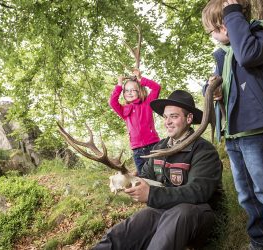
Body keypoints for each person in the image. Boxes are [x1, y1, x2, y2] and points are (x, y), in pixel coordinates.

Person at [202, 1, 263, 249]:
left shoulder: (257, 38)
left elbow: (248, 56)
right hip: (234, 134)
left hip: (255, 131)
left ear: (224, 25)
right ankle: (259, 241)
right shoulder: (225, 54)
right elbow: (217, 86)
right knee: (246, 195)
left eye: (212, 30)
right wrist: (212, 89)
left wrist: (232, 13)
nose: (212, 37)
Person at [94, 90, 223, 250]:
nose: (167, 121)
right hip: (164, 209)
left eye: (174, 116)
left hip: (196, 214)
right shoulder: (159, 148)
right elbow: (146, 176)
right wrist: (130, 180)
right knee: (126, 231)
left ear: (189, 118)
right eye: (165, 117)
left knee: (180, 214)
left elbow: (198, 192)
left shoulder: (204, 150)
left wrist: (151, 194)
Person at [109, 69, 161, 175]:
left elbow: (156, 88)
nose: (129, 92)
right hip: (137, 150)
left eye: (133, 90)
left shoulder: (147, 103)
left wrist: (140, 79)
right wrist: (119, 85)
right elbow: (112, 102)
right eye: (126, 90)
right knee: (143, 176)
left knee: (159, 173)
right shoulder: (124, 110)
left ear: (140, 91)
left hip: (153, 146)